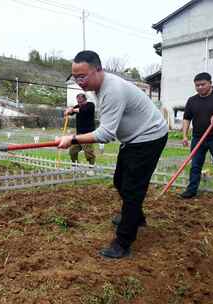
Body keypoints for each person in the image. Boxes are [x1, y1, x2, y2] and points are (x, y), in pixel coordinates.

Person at [57, 50, 168, 259]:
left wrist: (72, 139)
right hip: (133, 139)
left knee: (133, 189)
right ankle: (136, 217)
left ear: (98, 70)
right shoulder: (98, 88)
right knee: (120, 181)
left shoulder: (112, 90)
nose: (79, 81)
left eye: (83, 76)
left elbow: (106, 134)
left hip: (149, 137)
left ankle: (123, 242)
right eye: (75, 77)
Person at [180, 72, 213, 201]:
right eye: (197, 85)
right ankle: (191, 191)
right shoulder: (192, 100)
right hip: (198, 138)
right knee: (195, 165)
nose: (199, 87)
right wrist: (184, 136)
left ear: (210, 83)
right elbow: (187, 118)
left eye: (202, 84)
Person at [64, 93, 96, 167]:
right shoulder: (77, 106)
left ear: (85, 100)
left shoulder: (90, 105)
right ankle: (75, 165)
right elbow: (70, 111)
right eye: (78, 102)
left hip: (88, 134)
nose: (79, 103)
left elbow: (82, 110)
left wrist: (72, 110)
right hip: (79, 134)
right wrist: (67, 111)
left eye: (81, 102)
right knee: (72, 151)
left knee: (88, 152)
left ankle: (91, 167)